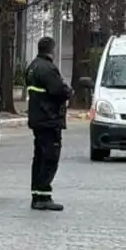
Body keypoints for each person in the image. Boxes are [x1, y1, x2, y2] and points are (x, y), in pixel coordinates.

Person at [26, 36, 72, 211]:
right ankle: (43, 196)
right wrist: (69, 91)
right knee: (49, 158)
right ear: (52, 50)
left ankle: (37, 194)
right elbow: (59, 90)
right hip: (49, 118)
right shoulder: (47, 68)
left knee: (39, 157)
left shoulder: (32, 66)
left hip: (38, 119)